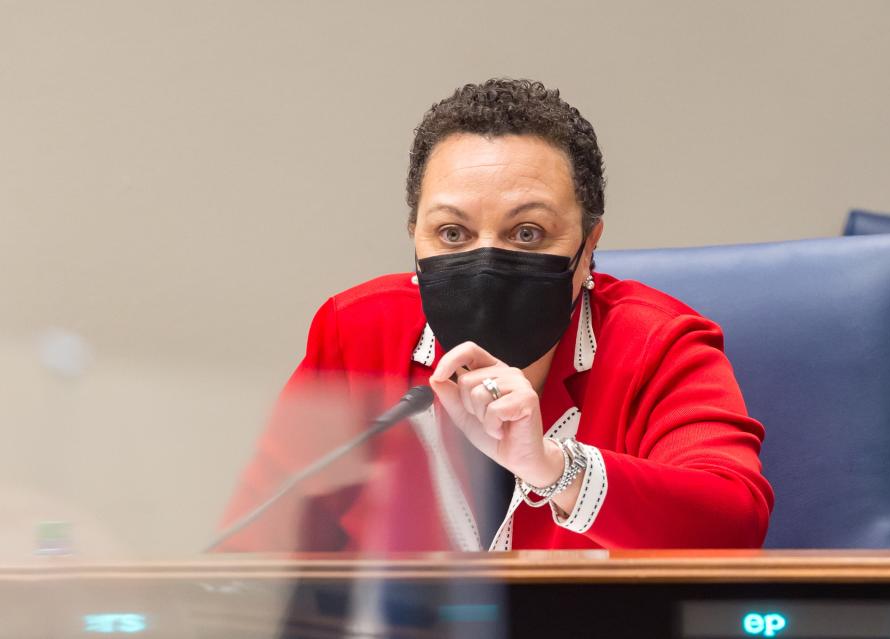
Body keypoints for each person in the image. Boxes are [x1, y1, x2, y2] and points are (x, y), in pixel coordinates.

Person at [217, 78, 773, 552]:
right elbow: (257, 543)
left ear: (588, 245)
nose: (485, 260)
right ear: (415, 237)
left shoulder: (657, 343)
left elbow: (733, 522)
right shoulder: (358, 332)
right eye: (452, 233)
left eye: (527, 232)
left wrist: (555, 469)